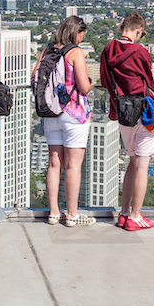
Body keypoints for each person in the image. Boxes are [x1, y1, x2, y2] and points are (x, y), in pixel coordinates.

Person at [100, 12, 154, 231]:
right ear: (139, 30)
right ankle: (136, 217)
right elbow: (149, 82)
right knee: (142, 165)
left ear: (121, 27)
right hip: (143, 111)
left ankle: (124, 213)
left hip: (122, 113)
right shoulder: (140, 51)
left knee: (132, 163)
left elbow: (106, 80)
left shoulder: (107, 50)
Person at [33, 16, 95, 226]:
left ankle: (53, 213)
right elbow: (85, 87)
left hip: (51, 114)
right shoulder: (75, 52)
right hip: (74, 114)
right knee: (73, 166)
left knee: (54, 164)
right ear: (75, 33)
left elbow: (35, 77)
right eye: (81, 34)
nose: (81, 38)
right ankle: (72, 215)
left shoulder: (48, 50)